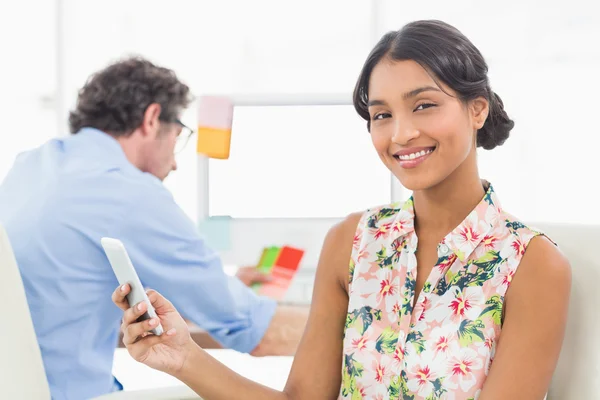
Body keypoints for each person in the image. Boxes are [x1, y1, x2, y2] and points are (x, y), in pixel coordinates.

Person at [114, 20, 572, 400]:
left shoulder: (532, 264)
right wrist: (182, 357)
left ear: (477, 109)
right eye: (382, 115)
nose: (401, 134)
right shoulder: (353, 242)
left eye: (424, 106)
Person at [0, 57, 308, 400]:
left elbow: (63, 306)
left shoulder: (29, 166)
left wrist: (215, 294)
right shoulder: (125, 191)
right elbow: (256, 331)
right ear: (151, 120)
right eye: (178, 137)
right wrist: (361, 322)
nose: (175, 163)